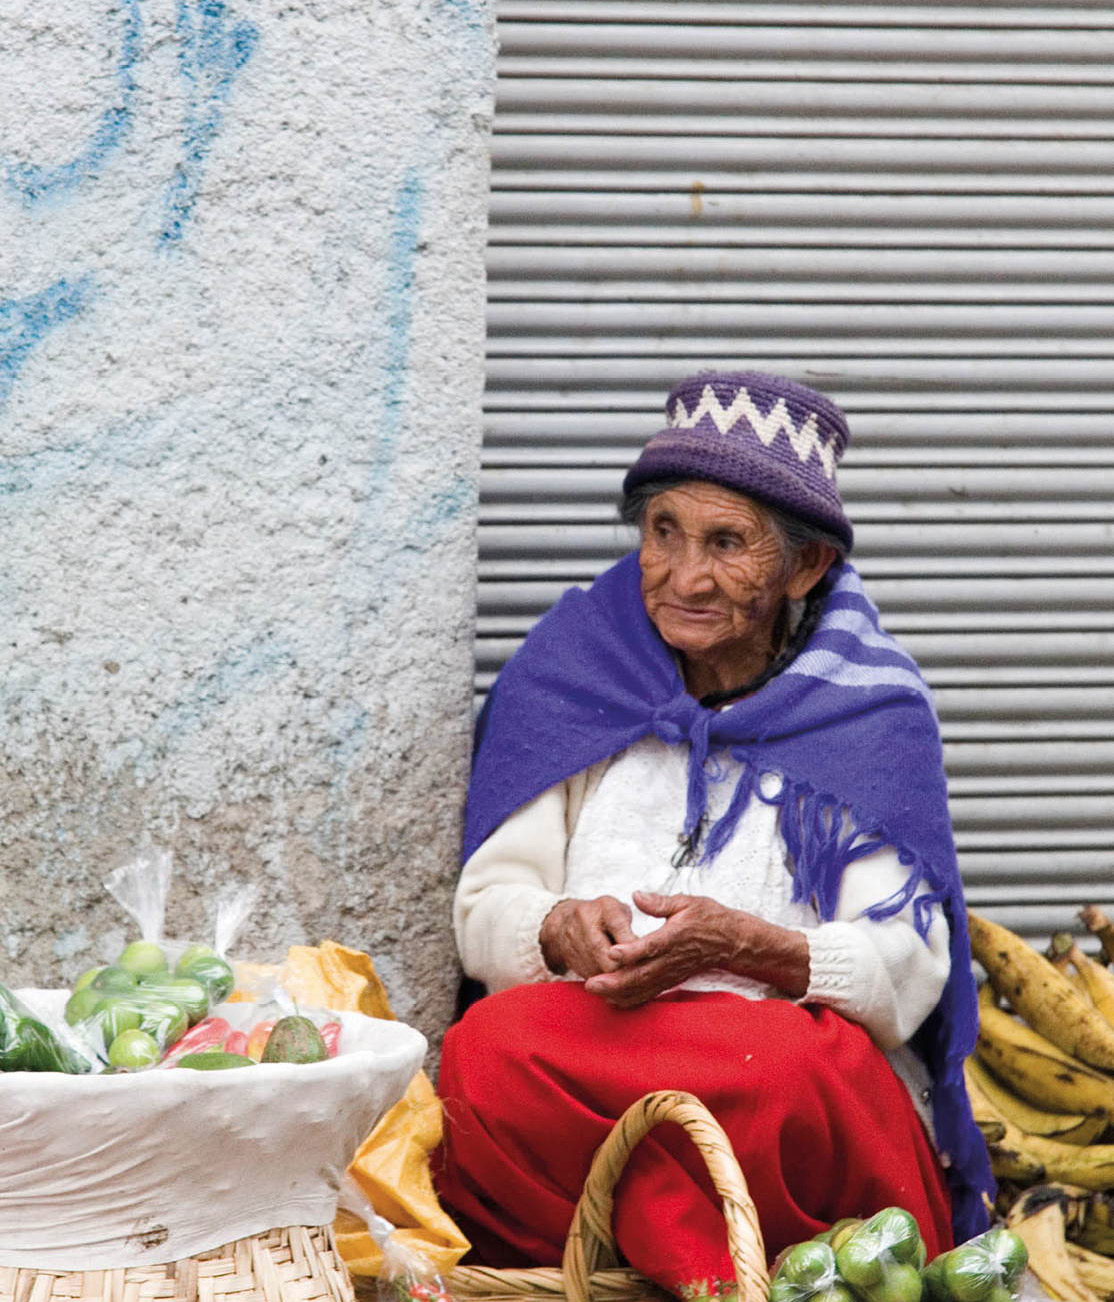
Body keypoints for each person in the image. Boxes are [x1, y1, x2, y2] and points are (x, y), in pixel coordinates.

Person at [434, 371, 992, 1299]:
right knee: (484, 1051)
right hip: (597, 1044)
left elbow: (909, 970)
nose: (683, 576)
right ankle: (692, 1261)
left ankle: (687, 1262)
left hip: (767, 1068)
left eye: (726, 544)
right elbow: (485, 909)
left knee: (783, 1071)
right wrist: (553, 927)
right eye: (663, 533)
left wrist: (761, 951)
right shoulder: (573, 672)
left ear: (804, 568)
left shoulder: (867, 709)